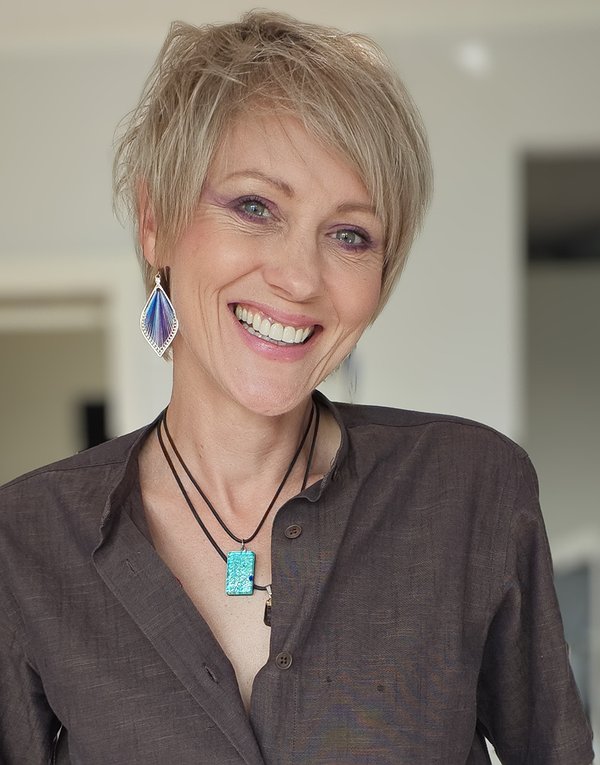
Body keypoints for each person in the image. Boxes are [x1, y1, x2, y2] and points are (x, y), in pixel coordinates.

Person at [0, 11, 593, 765]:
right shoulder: (26, 541)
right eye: (255, 207)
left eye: (350, 235)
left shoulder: (471, 489)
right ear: (156, 222)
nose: (300, 278)